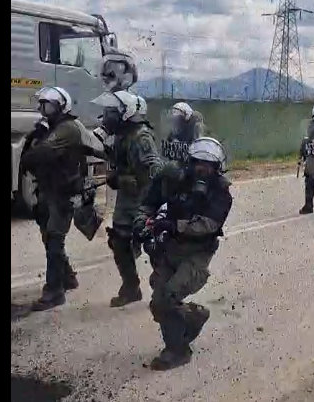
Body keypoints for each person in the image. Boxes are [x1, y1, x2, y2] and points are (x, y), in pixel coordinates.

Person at [133, 137, 232, 370]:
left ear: (217, 168)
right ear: (190, 162)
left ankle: (177, 351)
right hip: (170, 248)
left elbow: (209, 225)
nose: (202, 169)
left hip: (197, 253)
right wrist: (141, 223)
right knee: (159, 304)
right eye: (198, 163)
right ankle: (193, 316)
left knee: (169, 295)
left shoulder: (221, 192)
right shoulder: (172, 179)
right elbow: (148, 203)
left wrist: (173, 225)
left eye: (208, 165)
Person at [21, 87, 104, 311]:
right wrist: (37, 136)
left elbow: (39, 154)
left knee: (55, 238)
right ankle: (67, 277)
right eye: (41, 105)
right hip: (50, 189)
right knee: (49, 235)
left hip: (65, 192)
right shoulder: (52, 126)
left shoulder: (67, 128)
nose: (42, 109)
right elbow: (31, 155)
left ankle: (55, 292)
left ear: (60, 106)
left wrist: (37, 143)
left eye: (46, 105)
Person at [90, 90, 166, 308]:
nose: (108, 115)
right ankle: (131, 288)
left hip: (143, 201)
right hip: (126, 201)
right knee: (119, 242)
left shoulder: (141, 137)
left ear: (127, 112)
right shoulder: (122, 135)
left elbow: (153, 173)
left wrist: (121, 179)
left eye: (113, 111)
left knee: (153, 245)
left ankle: (166, 291)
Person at [161, 102, 206, 166]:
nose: (176, 122)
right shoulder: (175, 130)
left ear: (187, 117)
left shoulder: (196, 128)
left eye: (178, 119)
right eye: (174, 119)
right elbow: (167, 147)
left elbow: (198, 149)